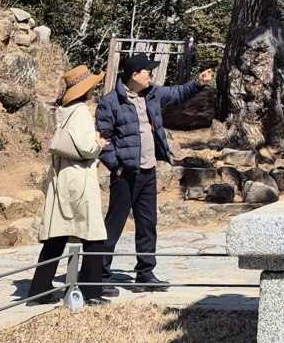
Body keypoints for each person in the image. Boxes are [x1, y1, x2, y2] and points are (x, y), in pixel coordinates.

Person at [88, 52, 212, 291]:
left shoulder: (152, 93)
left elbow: (177, 94)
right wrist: (116, 165)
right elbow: (103, 138)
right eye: (148, 72)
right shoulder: (110, 102)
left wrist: (198, 83)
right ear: (134, 75)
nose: (151, 75)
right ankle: (99, 277)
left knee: (147, 224)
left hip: (148, 171)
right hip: (125, 174)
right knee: (114, 224)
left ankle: (145, 274)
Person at [27, 65, 110, 305]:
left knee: (57, 234)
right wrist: (98, 144)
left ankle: (39, 290)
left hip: (61, 176)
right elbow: (86, 147)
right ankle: (91, 292)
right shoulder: (81, 111)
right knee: (93, 234)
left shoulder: (64, 111)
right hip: (79, 178)